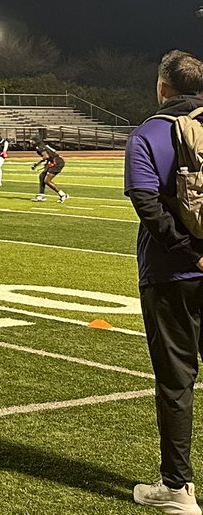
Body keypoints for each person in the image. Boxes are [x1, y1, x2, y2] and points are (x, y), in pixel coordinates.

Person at [127, 50, 203, 514]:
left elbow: (145, 203)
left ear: (162, 87)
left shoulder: (149, 133)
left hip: (170, 273)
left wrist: (191, 252)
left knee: (176, 382)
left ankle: (177, 488)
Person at [31, 139, 68, 203]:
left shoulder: (40, 147)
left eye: (32, 140)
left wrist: (37, 163)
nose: (31, 142)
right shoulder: (45, 145)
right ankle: (41, 195)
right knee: (42, 176)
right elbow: (53, 153)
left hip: (56, 162)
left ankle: (62, 195)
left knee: (47, 181)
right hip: (56, 161)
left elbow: (46, 156)